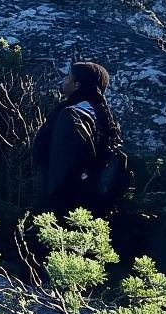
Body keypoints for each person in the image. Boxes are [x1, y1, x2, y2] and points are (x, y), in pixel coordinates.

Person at [33, 61, 126, 216]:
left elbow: (62, 165)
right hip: (90, 202)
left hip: (64, 202)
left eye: (68, 76)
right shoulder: (101, 116)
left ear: (77, 85)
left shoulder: (70, 115)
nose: (64, 80)